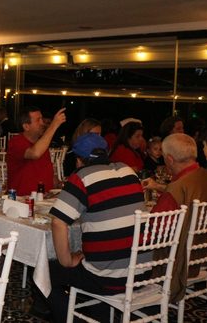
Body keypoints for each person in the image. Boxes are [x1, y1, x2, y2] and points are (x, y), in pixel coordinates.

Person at [48, 133, 150, 322]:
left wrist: (67, 260)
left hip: (109, 279)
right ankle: (99, 316)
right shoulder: (128, 170)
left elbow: (58, 222)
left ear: (78, 160)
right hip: (142, 273)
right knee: (94, 261)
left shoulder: (82, 177)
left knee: (48, 271)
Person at [147, 133, 207, 302]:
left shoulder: (177, 188)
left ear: (169, 159)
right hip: (204, 253)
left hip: (179, 261)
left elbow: (155, 231)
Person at [6, 106, 66, 195]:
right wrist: (53, 125)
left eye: (42, 119)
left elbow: (48, 175)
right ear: (26, 126)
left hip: (45, 198)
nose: (42, 123)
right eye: (38, 120)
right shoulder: (16, 142)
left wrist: (61, 184)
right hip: (21, 199)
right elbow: (35, 153)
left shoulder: (41, 144)